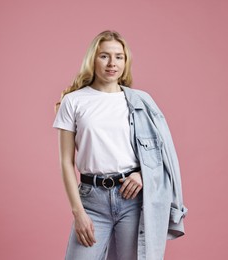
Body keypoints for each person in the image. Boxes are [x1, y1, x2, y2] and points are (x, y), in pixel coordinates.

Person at [53, 30, 187, 260]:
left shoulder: (140, 100)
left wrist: (143, 175)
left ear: (126, 62)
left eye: (119, 57)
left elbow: (162, 153)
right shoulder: (73, 101)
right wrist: (78, 212)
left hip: (132, 200)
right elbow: (66, 162)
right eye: (104, 56)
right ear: (92, 59)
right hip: (91, 200)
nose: (112, 63)